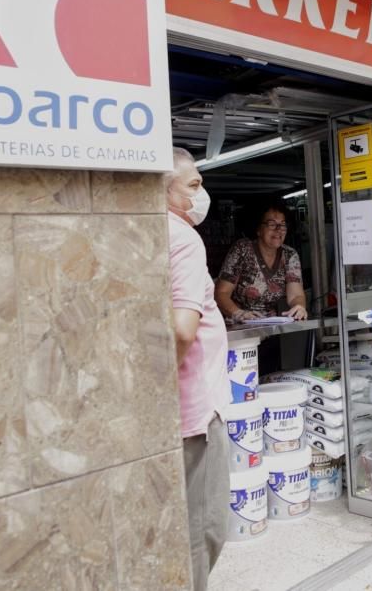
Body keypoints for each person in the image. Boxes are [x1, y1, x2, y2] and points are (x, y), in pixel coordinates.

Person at [166, 147, 232, 591]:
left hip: (177, 411)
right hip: (196, 411)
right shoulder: (185, 240)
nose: (202, 191)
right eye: (193, 184)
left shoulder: (145, 232)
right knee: (204, 529)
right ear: (165, 191)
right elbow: (184, 328)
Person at [214, 203, 308, 322]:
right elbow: (221, 293)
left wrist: (299, 306)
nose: (279, 230)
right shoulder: (242, 249)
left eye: (283, 225)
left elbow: (296, 295)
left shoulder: (289, 255)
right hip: (237, 325)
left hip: (270, 326)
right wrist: (238, 313)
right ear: (258, 229)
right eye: (272, 224)